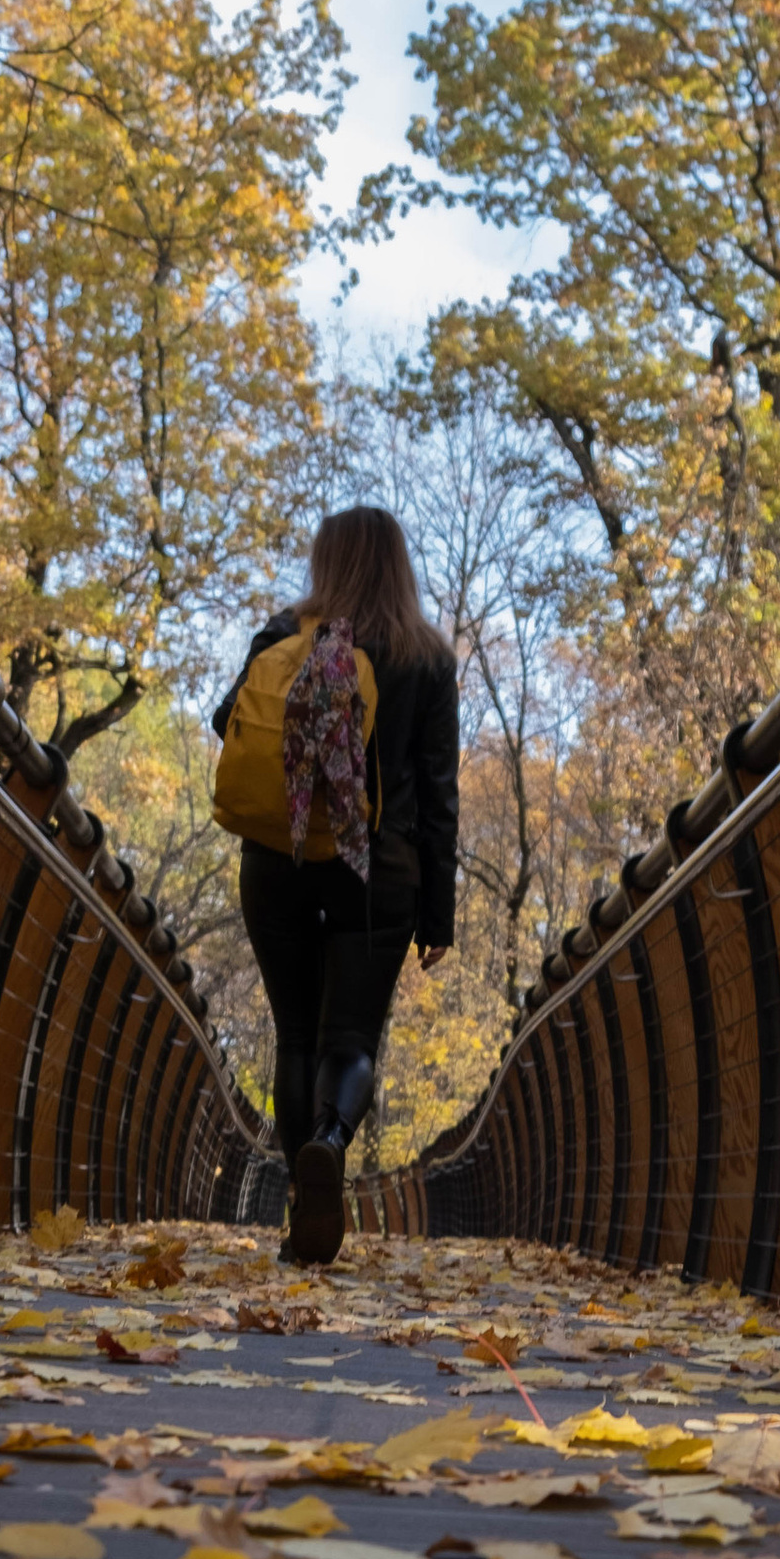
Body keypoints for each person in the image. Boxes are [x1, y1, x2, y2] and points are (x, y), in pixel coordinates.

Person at [213, 505, 459, 1267]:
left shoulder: (286, 634)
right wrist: (436, 914)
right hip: (378, 870)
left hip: (278, 857)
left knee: (294, 1033)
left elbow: (228, 721)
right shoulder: (425, 656)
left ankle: (300, 1201)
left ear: (326, 561)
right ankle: (329, 1140)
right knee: (349, 1038)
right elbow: (439, 793)